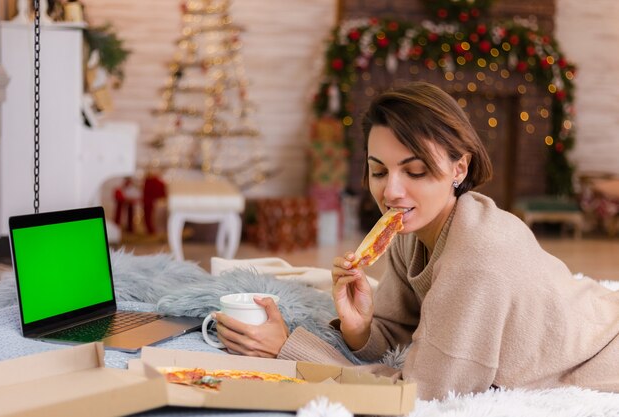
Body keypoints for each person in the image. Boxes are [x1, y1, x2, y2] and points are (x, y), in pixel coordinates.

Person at [212, 82, 619, 400]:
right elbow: (395, 331)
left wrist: (288, 350)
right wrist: (360, 329)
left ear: (459, 167)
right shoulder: (415, 226)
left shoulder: (476, 259)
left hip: (601, 354)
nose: (391, 192)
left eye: (416, 171)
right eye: (379, 171)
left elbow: (419, 396)